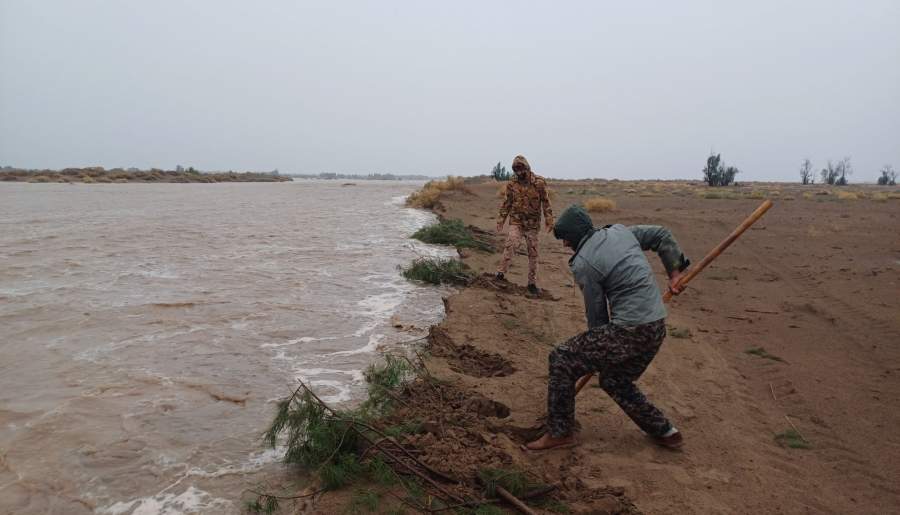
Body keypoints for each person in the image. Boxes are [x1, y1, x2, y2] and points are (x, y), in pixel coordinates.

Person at [525, 204, 690, 451]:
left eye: (566, 240)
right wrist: (674, 273)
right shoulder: (621, 232)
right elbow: (661, 234)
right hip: (655, 327)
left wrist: (594, 355)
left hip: (631, 330)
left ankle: (560, 432)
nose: (565, 245)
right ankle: (664, 431)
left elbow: (597, 317)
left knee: (561, 358)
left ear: (575, 236)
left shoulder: (584, 263)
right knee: (614, 380)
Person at [495, 155, 554, 294]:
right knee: (511, 244)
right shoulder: (512, 184)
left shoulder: (539, 183)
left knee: (533, 253)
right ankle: (500, 274)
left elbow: (546, 202)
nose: (519, 172)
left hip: (532, 225)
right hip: (516, 222)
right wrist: (501, 220)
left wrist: (549, 220)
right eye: (516, 169)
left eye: (521, 169)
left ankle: (531, 284)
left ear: (527, 167)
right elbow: (507, 203)